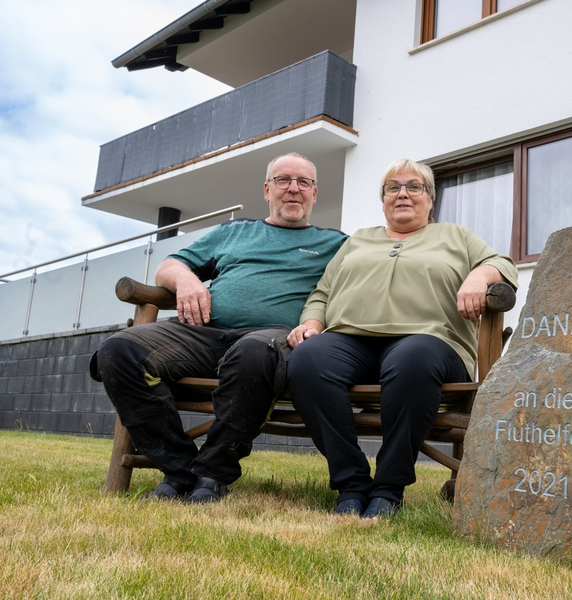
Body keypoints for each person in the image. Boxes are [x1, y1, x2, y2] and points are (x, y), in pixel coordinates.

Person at [91, 152, 347, 503]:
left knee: (254, 352)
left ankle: (213, 473)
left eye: (303, 182)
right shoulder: (234, 231)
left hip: (273, 339)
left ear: (314, 194)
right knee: (118, 351)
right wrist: (186, 282)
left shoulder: (336, 244)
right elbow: (169, 265)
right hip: (203, 332)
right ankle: (179, 469)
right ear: (266, 190)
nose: (293, 189)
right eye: (283, 180)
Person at [287, 158, 518, 518]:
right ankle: (351, 483)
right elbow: (322, 293)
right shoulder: (359, 240)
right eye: (393, 187)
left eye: (414, 187)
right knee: (306, 360)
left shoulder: (455, 236)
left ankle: (388, 489)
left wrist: (478, 277)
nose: (403, 194)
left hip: (430, 344)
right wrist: (313, 324)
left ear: (430, 199)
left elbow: (504, 264)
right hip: (351, 341)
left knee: (411, 357)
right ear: (383, 200)